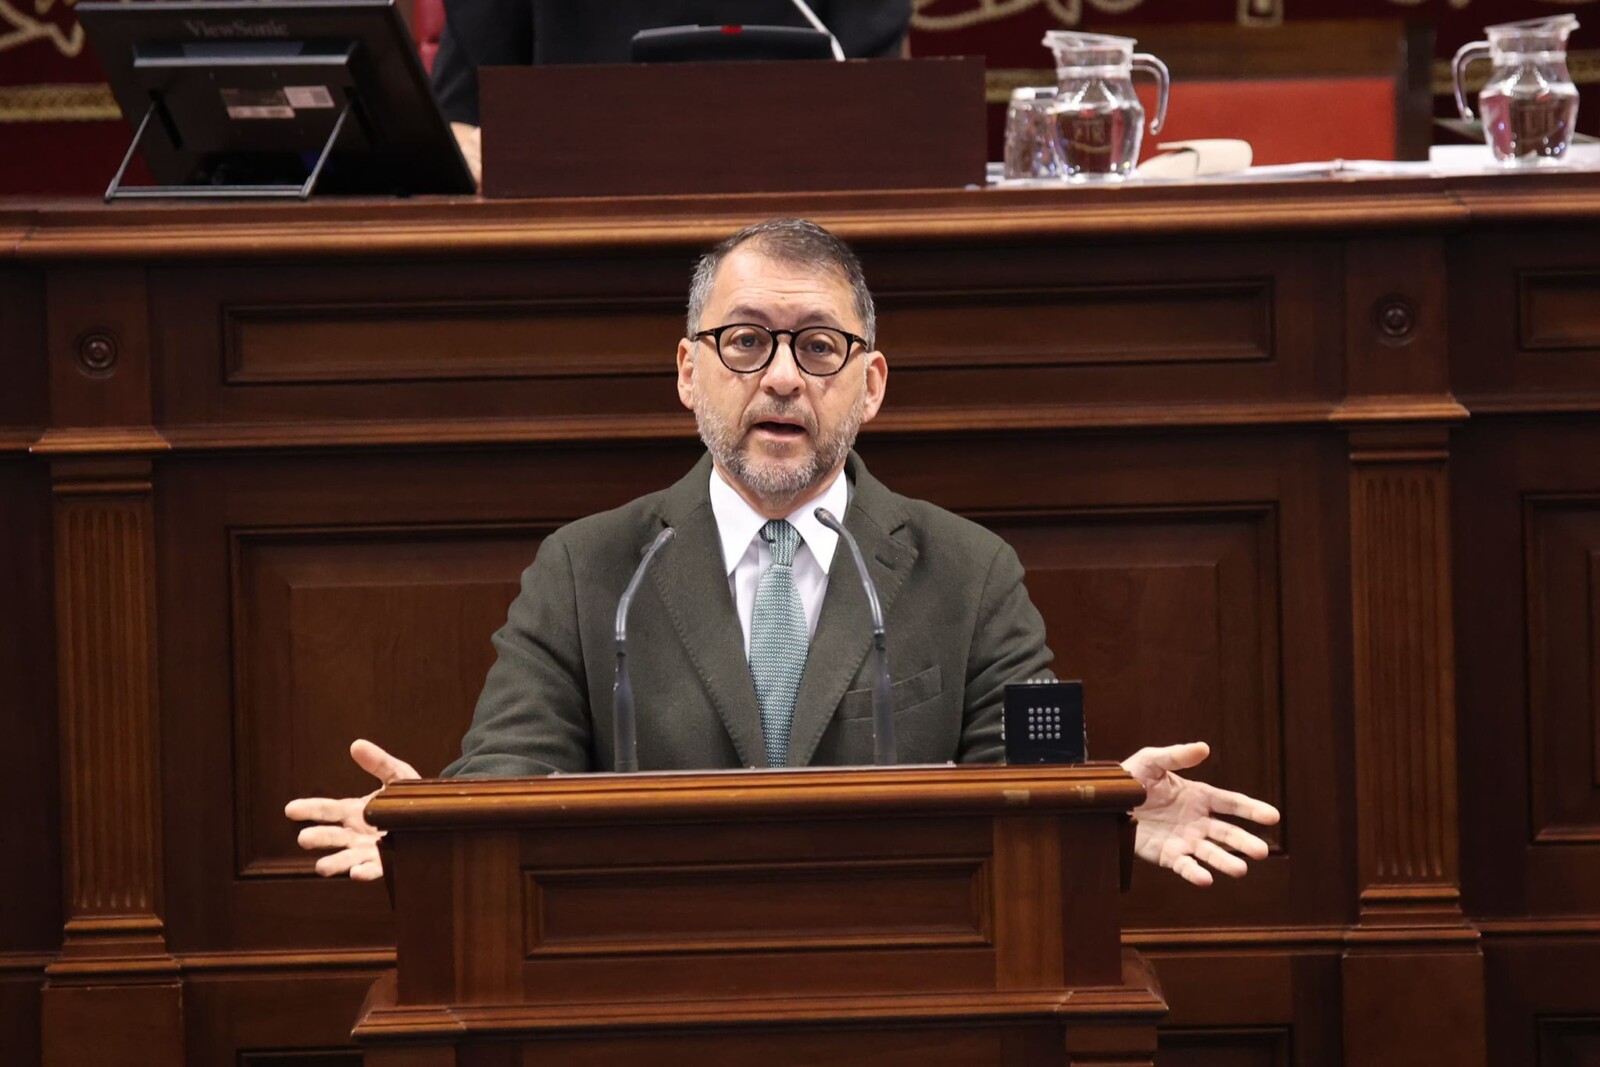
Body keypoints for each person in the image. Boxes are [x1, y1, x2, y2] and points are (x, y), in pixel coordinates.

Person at [286, 218, 1280, 887]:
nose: (781, 378)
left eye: (818, 345)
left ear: (871, 383)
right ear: (688, 371)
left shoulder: (970, 568)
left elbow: (1030, 791)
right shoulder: (588, 568)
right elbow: (509, 773)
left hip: (903, 982)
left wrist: (1104, 810)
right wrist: (435, 829)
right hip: (644, 986)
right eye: (745, 341)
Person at [433, 0, 913, 184]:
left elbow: (884, 125)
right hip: (568, 245)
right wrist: (464, 149)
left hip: (800, 238)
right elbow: (458, 124)